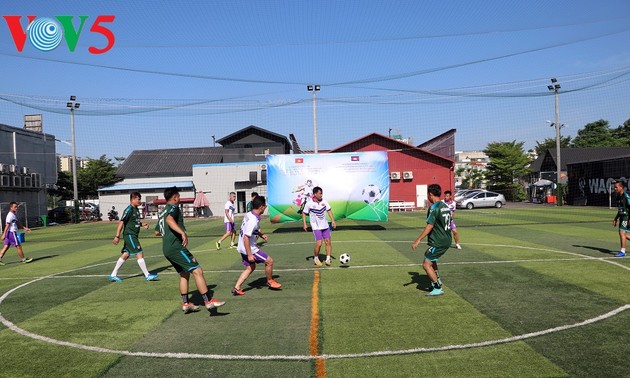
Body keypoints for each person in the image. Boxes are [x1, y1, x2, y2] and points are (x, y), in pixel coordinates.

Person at [156, 186, 225, 313]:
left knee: (184, 274)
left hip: (166, 248)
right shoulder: (174, 208)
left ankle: (186, 304)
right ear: (175, 198)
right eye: (179, 196)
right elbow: (169, 220)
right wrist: (181, 233)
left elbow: (157, 231)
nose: (179, 199)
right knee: (197, 270)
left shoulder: (162, 211)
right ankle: (208, 301)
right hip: (176, 247)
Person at [231, 195, 282, 295]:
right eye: (265, 205)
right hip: (249, 248)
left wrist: (261, 235)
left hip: (242, 247)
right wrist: (250, 254)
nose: (266, 207)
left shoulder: (250, 214)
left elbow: (252, 230)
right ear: (261, 207)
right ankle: (270, 281)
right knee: (269, 261)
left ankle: (237, 287)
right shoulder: (253, 220)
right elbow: (246, 237)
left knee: (250, 267)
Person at [411, 184, 452, 296]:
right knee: (432, 260)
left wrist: (418, 240)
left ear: (430, 194)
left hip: (439, 241)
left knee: (426, 264)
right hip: (447, 238)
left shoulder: (434, 207)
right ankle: (436, 283)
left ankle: (438, 287)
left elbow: (430, 226)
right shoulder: (445, 205)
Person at [109, 192, 159, 282]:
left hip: (133, 235)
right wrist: (117, 236)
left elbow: (134, 222)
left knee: (126, 254)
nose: (139, 201)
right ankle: (147, 275)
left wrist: (142, 224)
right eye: (138, 199)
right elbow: (121, 222)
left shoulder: (135, 209)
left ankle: (113, 274)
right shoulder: (129, 209)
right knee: (139, 252)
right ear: (133, 199)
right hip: (130, 235)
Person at [302, 186, 337, 266]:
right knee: (319, 243)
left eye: (322, 193)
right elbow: (304, 213)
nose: (321, 195)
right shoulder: (309, 203)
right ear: (315, 194)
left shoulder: (324, 201)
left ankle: (328, 259)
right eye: (320, 193)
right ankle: (316, 258)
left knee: (328, 242)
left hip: (325, 226)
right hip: (316, 227)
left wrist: (333, 221)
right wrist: (304, 224)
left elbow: (329, 210)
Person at [612, 180, 630, 257]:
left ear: (621, 187)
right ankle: (622, 251)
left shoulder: (626, 196)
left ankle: (622, 251)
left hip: (627, 217)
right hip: (622, 217)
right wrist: (616, 218)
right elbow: (620, 209)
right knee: (624, 234)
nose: (614, 189)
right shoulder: (618, 196)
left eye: (616, 187)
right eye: (614, 187)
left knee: (621, 232)